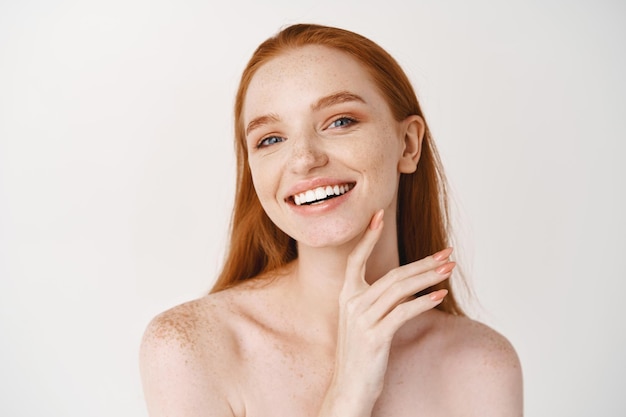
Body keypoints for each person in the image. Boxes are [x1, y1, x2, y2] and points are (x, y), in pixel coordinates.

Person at [139, 23, 523, 416]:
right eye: (270, 139)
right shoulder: (190, 347)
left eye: (340, 121)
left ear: (408, 145)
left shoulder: (481, 365)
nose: (304, 158)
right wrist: (348, 393)